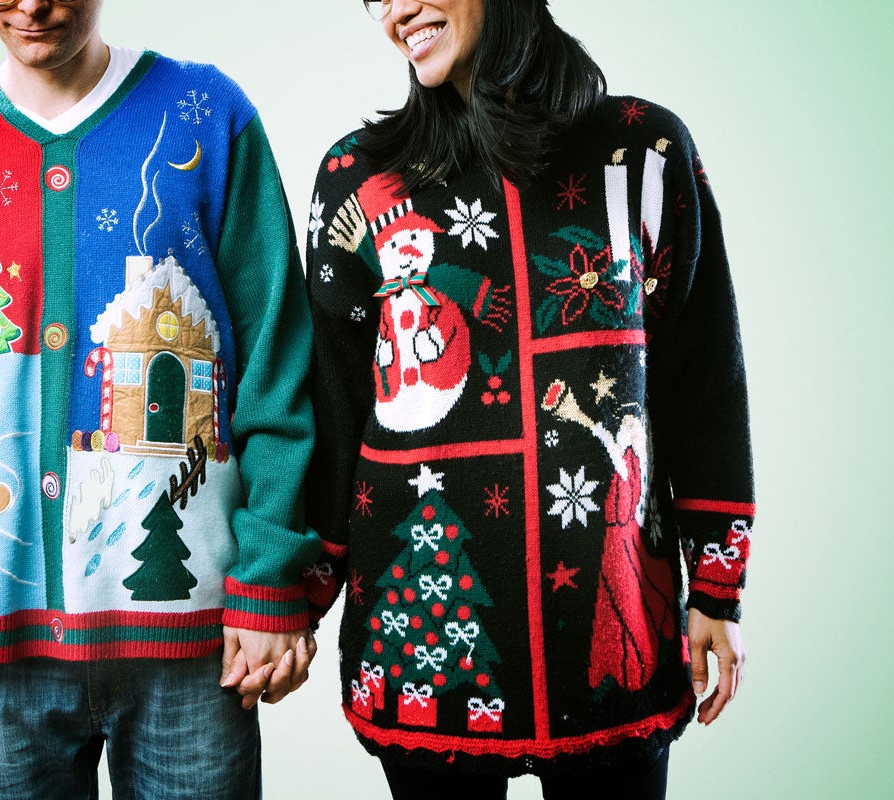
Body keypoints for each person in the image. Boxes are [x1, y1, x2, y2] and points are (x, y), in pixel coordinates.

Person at [0, 1, 318, 797]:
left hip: (195, 650)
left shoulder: (206, 113)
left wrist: (271, 580)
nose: (31, 6)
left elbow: (277, 359)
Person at [302, 0, 753, 797]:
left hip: (613, 642)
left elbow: (702, 379)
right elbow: (333, 413)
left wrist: (717, 584)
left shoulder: (643, 151)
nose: (397, 10)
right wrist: (290, 599)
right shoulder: (356, 178)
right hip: (424, 641)